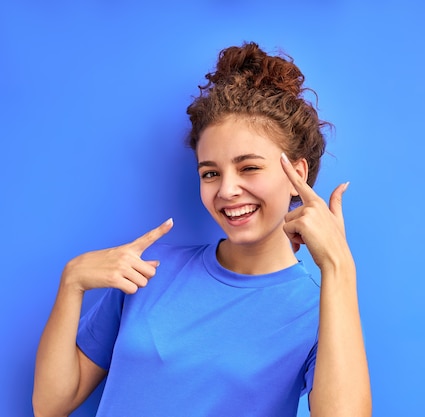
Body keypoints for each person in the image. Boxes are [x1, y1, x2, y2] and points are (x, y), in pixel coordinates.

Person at [32, 42, 371, 417]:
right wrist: (72, 280)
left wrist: (339, 267)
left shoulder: (317, 311)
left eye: (249, 168)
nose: (226, 190)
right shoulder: (147, 269)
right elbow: (51, 404)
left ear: (298, 175)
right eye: (210, 173)